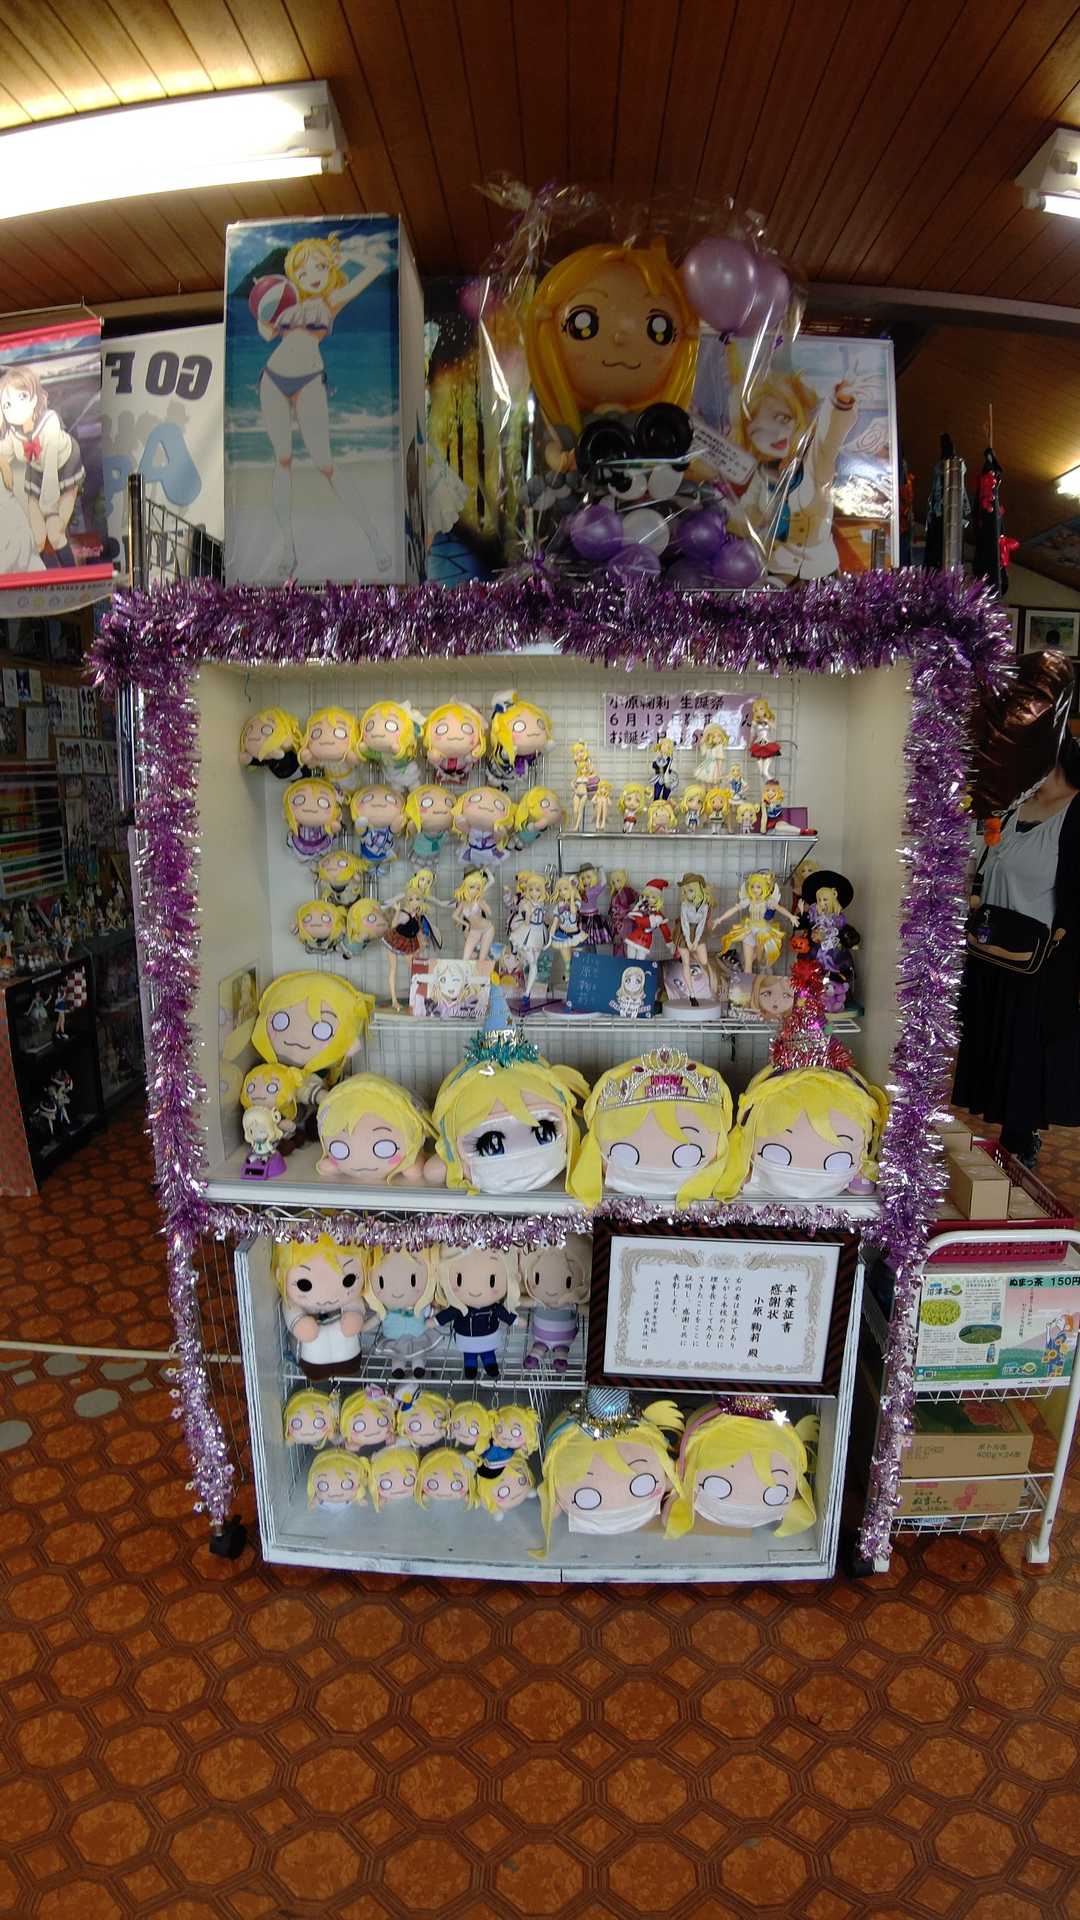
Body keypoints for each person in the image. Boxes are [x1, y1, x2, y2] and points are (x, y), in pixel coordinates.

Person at [953, 737, 1080, 1166]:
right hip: (992, 949)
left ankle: (1020, 1141)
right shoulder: (1012, 806)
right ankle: (1007, 1139)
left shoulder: (1075, 813)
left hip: (1040, 960)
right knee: (994, 1042)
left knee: (1026, 1051)